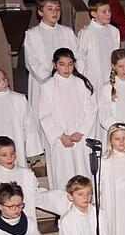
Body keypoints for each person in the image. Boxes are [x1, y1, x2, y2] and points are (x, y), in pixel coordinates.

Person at [38, 48, 97, 191]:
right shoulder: (48, 86)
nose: (66, 68)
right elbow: (45, 115)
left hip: (80, 138)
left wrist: (81, 131)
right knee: (63, 174)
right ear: (54, 64)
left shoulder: (81, 83)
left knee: (82, 172)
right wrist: (61, 136)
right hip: (60, 141)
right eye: (62, 64)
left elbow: (91, 110)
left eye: (70, 64)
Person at [23, 0, 79, 119]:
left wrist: (70, 76)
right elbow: (32, 63)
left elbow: (77, 56)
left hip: (67, 80)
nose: (55, 12)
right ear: (40, 12)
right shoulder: (32, 35)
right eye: (50, 9)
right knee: (45, 117)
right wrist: (51, 80)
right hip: (43, 83)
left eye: (57, 9)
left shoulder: (67, 32)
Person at [0, 136, 55, 225]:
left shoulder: (27, 174)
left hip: (25, 222)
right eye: (4, 155)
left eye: (12, 153)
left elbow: (37, 196)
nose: (10, 158)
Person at [0, 65, 42, 170]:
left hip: (15, 143)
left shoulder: (19, 99)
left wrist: (32, 152)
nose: (4, 83)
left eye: (4, 79)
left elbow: (29, 126)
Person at [77, 0, 121, 104]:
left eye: (109, 11)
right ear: (93, 14)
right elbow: (80, 58)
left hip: (110, 75)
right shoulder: (87, 33)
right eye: (104, 12)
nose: (108, 14)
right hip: (94, 77)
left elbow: (116, 56)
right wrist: (82, 80)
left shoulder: (114, 31)